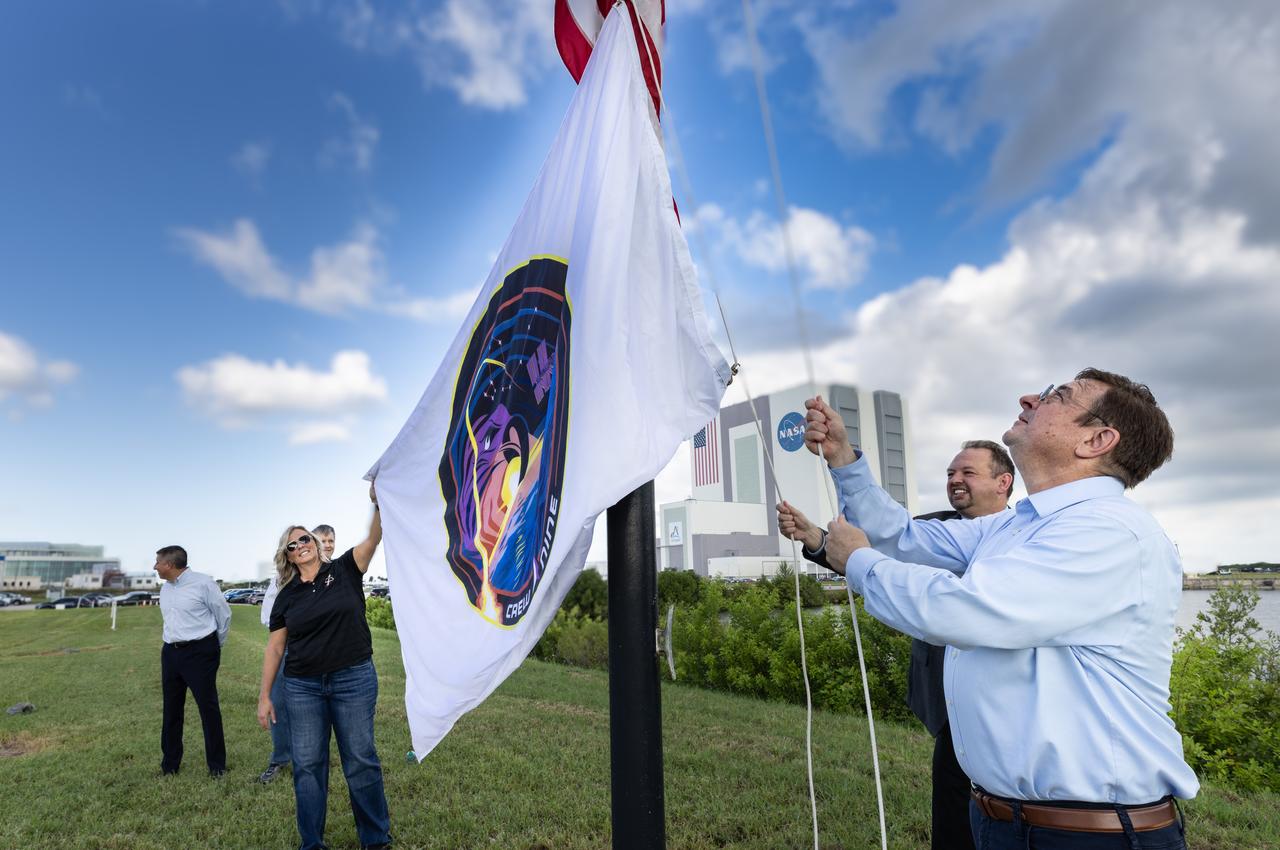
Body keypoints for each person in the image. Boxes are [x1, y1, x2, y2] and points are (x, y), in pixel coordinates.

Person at [806, 369, 1198, 849]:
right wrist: (844, 460)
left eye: (1059, 396)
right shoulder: (1016, 525)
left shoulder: (1108, 531)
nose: (1031, 397)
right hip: (1006, 822)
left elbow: (965, 611)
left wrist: (858, 561)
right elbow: (903, 539)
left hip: (1090, 835)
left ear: (1097, 439)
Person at [778, 439, 1014, 850]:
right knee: (953, 826)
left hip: (1006, 716)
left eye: (967, 473)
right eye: (950, 474)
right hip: (949, 716)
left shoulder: (1019, 541)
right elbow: (875, 548)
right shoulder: (931, 530)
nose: (955, 480)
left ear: (1003, 482)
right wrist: (814, 537)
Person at [258, 491, 391, 850]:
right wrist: (265, 695)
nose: (300, 545)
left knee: (361, 760)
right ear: (286, 556)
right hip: (302, 687)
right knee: (307, 766)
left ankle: (376, 840)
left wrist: (377, 503)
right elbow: (275, 648)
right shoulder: (285, 596)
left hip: (354, 678)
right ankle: (312, 844)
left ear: (316, 543)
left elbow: (374, 537)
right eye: (292, 545)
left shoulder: (346, 568)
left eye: (304, 538)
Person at [257, 523, 338, 785]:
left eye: (331, 541)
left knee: (328, 706)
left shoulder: (337, 574)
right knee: (279, 703)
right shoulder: (284, 580)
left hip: (330, 652)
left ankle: (319, 756)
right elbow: (268, 618)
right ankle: (280, 758)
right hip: (291, 648)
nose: (326, 545)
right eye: (321, 539)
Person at [156, 544, 231, 777]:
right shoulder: (165, 589)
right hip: (170, 653)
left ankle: (217, 766)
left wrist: (212, 646)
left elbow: (223, 614)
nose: (154, 566)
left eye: (157, 562)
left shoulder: (204, 583)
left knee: (208, 709)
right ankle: (170, 765)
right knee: (171, 710)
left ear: (170, 564)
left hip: (200, 652)